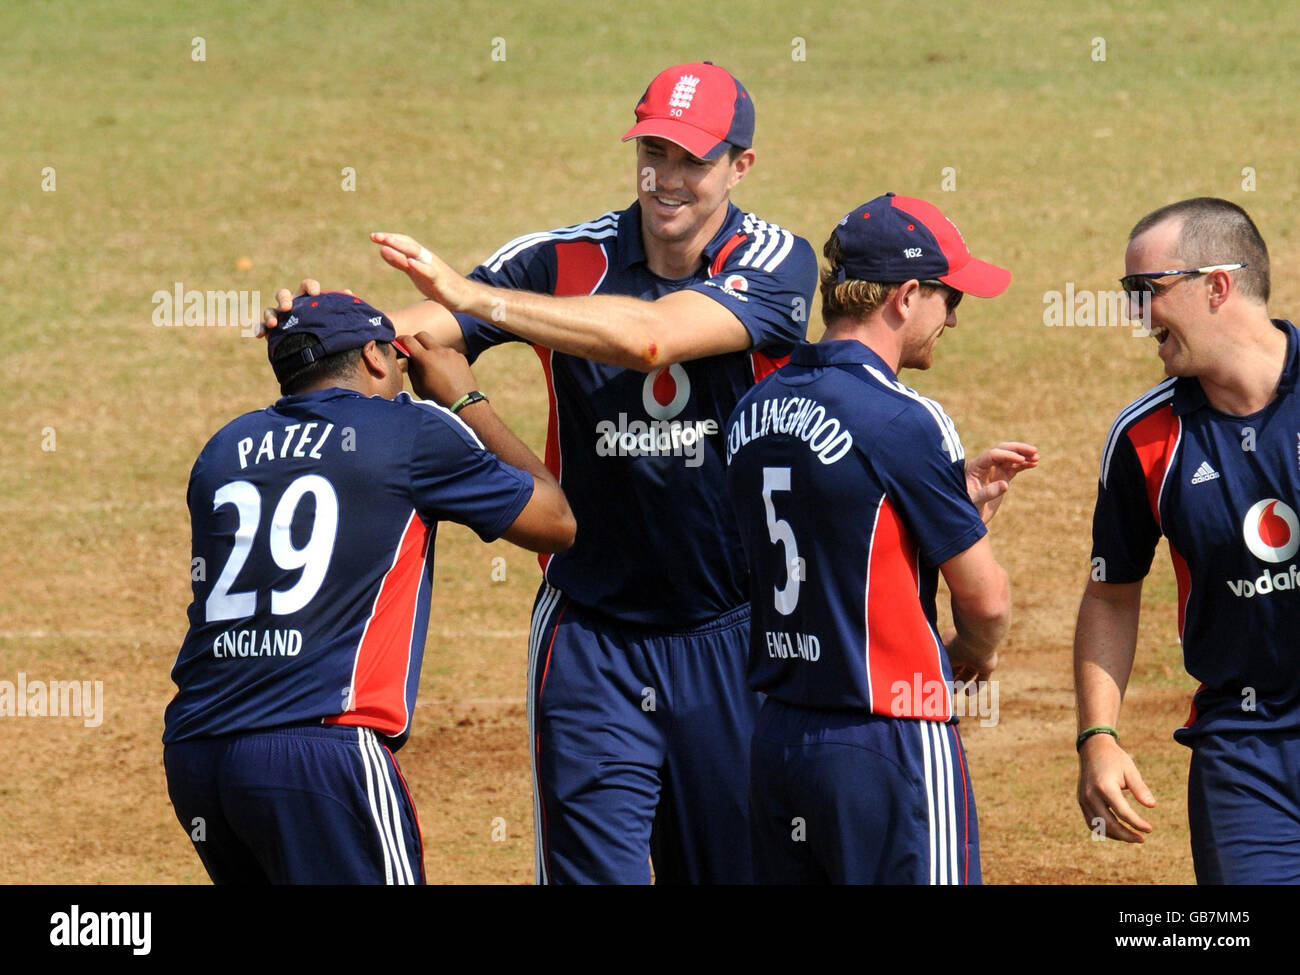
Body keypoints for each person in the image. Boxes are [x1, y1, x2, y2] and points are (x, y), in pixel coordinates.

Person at [268, 61, 817, 883]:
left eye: (693, 161)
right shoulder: (562, 257)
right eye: (654, 152)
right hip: (591, 634)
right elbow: (416, 330)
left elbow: (651, 338)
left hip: (733, 631)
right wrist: (329, 332)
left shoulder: (776, 261)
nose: (667, 180)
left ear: (741, 166)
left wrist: (474, 297)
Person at [163, 291, 574, 884]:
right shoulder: (408, 430)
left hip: (200, 757)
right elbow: (555, 522)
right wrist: (464, 398)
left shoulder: (224, 449)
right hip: (323, 753)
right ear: (379, 359)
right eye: (399, 360)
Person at [725, 193, 1036, 883]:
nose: (953, 316)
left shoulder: (753, 408)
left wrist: (943, 512)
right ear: (904, 296)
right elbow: (985, 601)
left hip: (778, 742)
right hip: (892, 736)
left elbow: (824, 535)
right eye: (948, 296)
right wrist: (966, 655)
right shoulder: (906, 419)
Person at [1075, 197, 1300, 884]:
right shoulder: (1145, 439)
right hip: (1245, 756)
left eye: (1147, 292)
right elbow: (1111, 595)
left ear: (1218, 284)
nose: (1136, 317)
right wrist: (1098, 736)